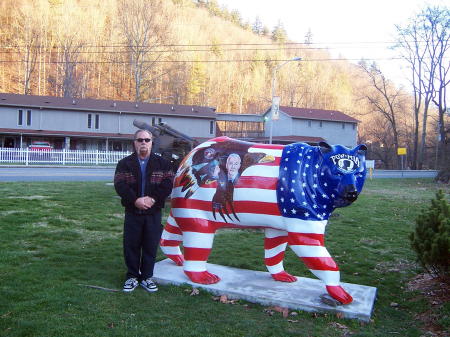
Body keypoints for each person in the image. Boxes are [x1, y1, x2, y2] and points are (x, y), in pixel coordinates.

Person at [114, 129, 174, 293]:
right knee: (131, 245)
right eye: (140, 140)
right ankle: (132, 276)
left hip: (153, 212)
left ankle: (147, 277)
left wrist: (152, 199)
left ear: (151, 143)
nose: (143, 143)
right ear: (134, 142)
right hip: (132, 212)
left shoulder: (163, 164)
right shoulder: (124, 164)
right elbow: (120, 185)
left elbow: (168, 184)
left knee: (150, 245)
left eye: (147, 140)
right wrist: (135, 200)